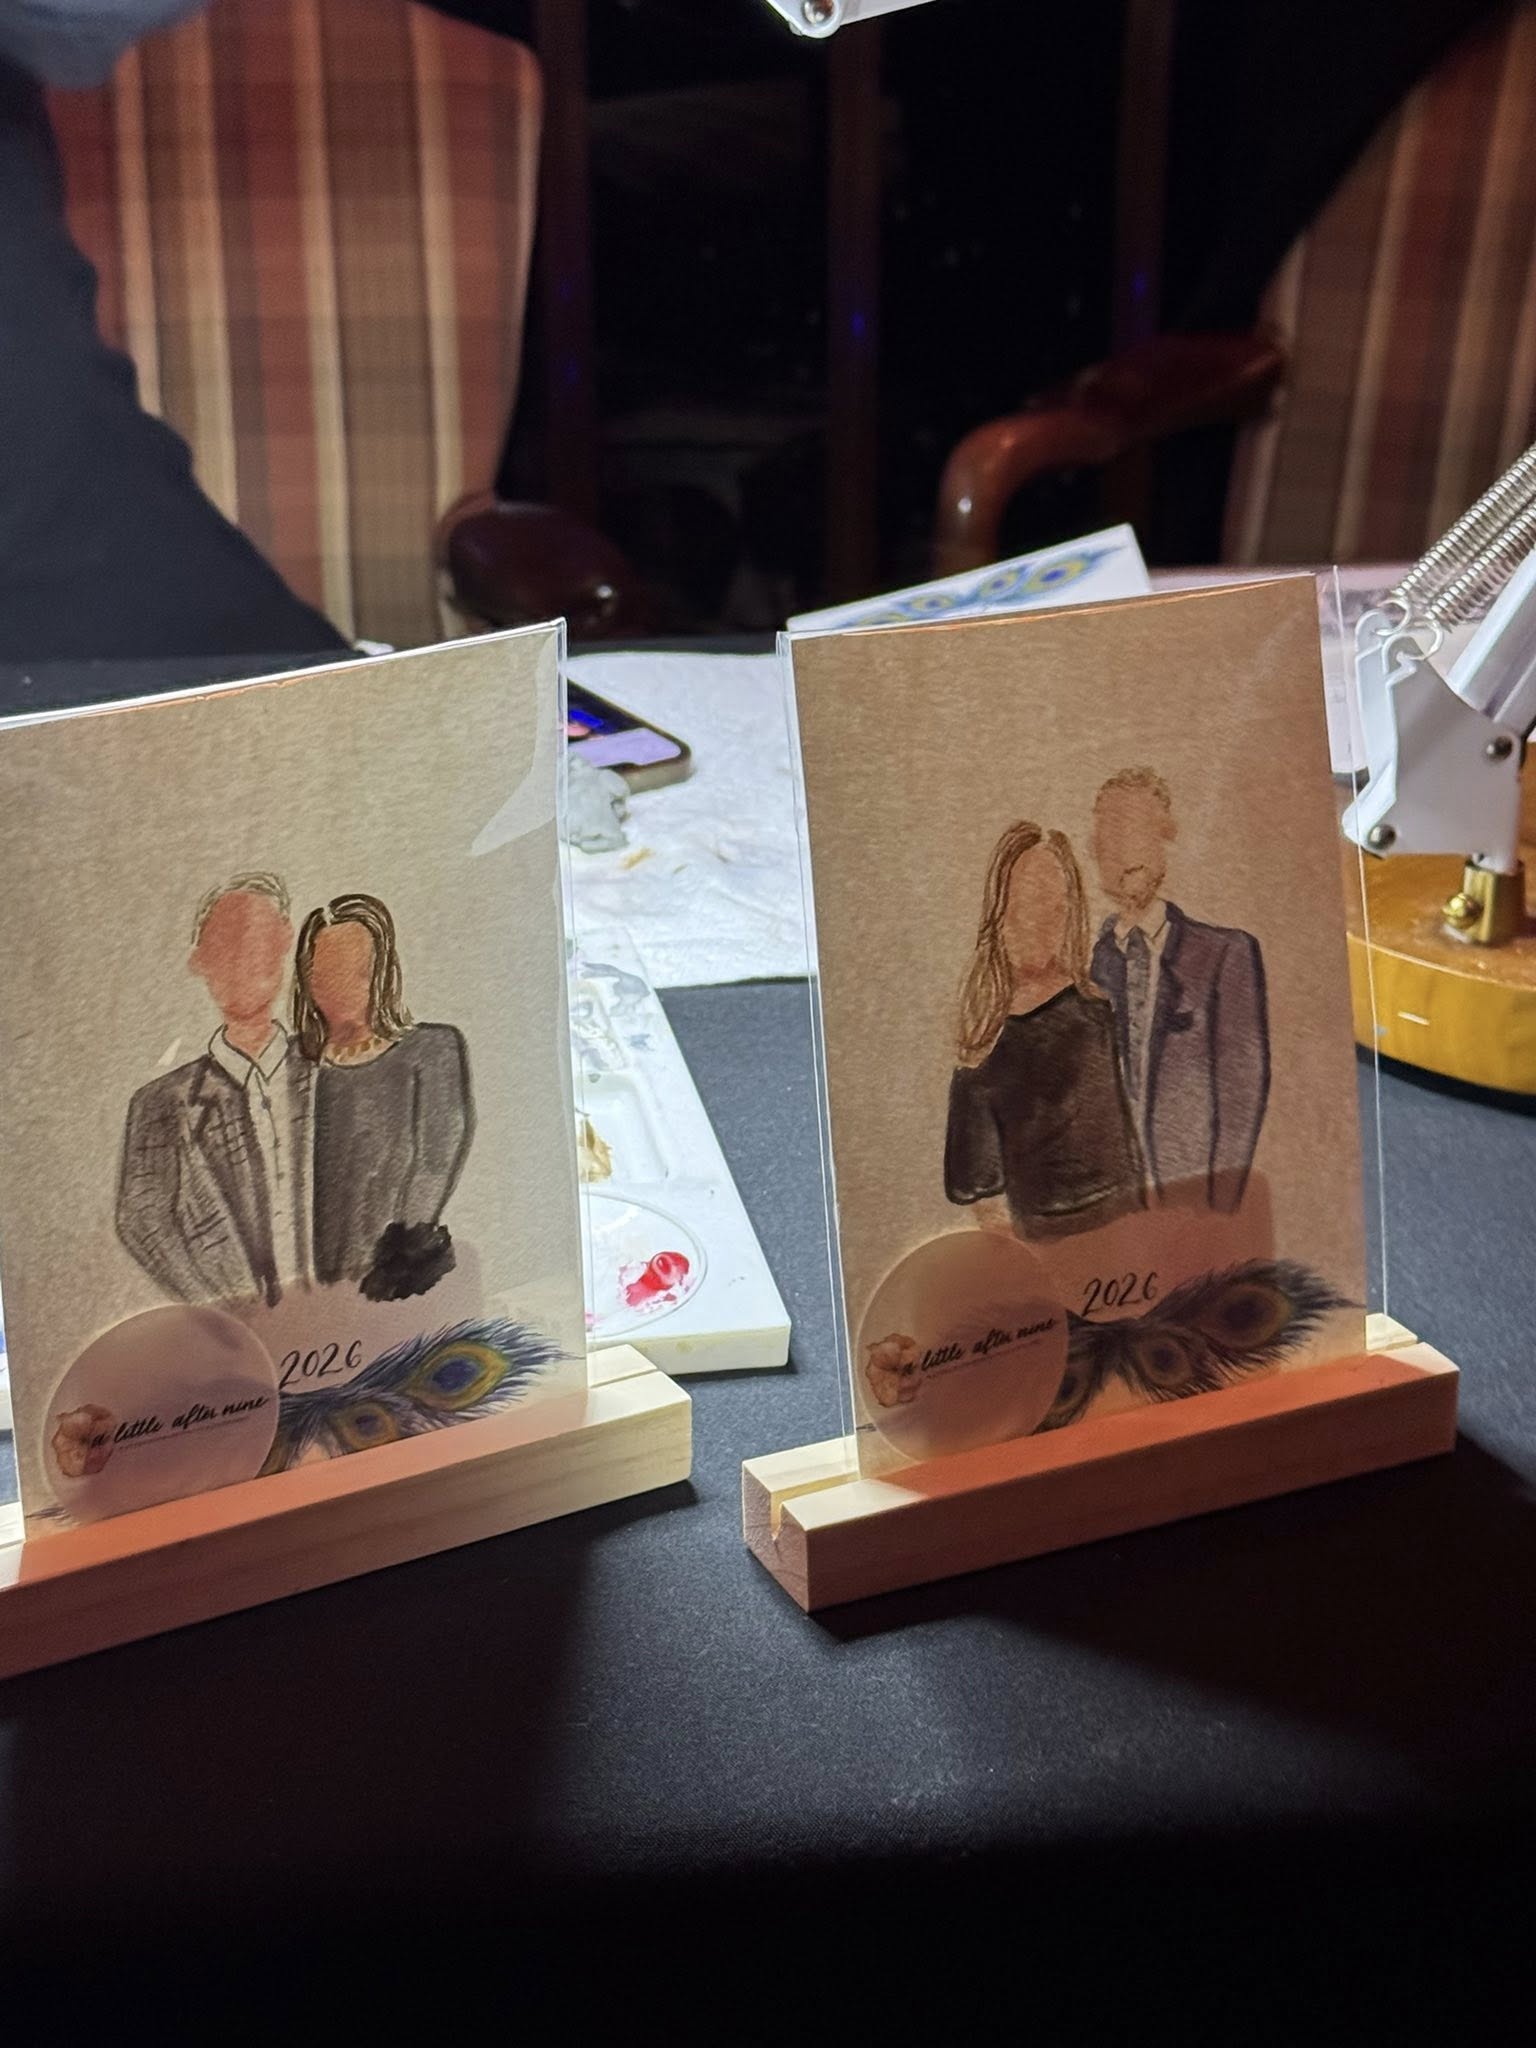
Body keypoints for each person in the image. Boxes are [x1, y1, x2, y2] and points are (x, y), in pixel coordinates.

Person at [117, 872, 313, 1304]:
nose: (244, 959)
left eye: (259, 939)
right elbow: (142, 1219)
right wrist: (225, 1313)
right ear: (200, 962)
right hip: (237, 1327)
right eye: (225, 945)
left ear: (285, 941)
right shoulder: (161, 1103)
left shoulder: (327, 1071)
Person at [945, 820, 1144, 1242]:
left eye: (1055, 904)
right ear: (1000, 912)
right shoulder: (981, 1045)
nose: (1042, 921)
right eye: (1027, 903)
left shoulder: (1096, 1013)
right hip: (1041, 1243)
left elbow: (1126, 1155)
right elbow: (983, 1197)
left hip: (1124, 1234)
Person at [1089, 767, 1269, 1213]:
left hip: (1191, 1200)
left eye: (1138, 830)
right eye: (1111, 835)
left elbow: (1241, 1091)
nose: (1125, 851)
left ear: (1164, 839)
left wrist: (1219, 1211)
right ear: (1095, 850)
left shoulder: (1225, 954)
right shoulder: (1091, 965)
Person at [292, 893, 474, 1300]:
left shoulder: (432, 1052)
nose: (341, 986)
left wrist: (386, 1280)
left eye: (356, 971)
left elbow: (433, 1167)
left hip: (397, 1285)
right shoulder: (291, 1065)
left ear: (383, 972)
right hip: (302, 1293)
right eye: (326, 971)